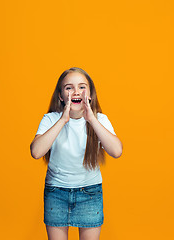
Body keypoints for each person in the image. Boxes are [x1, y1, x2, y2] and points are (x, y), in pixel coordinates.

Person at [30, 67, 123, 240]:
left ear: (89, 94)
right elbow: (36, 152)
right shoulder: (50, 119)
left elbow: (116, 151)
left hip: (90, 193)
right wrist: (63, 120)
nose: (75, 91)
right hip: (56, 193)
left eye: (81, 87)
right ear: (60, 96)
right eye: (69, 88)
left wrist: (91, 119)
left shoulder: (100, 120)